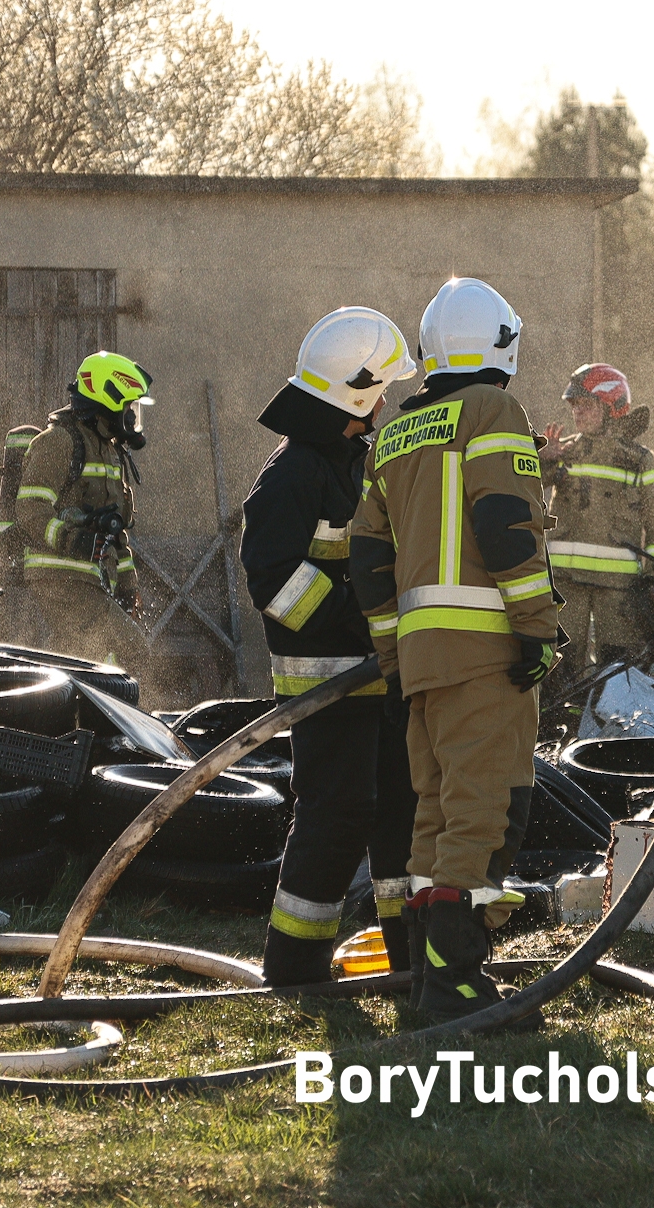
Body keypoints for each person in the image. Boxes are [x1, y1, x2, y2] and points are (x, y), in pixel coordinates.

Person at [348, 277, 559, 1022]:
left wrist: (394, 652)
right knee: (485, 809)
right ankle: (456, 983)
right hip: (484, 651)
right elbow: (505, 522)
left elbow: (367, 559)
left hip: (423, 659)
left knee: (434, 812)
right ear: (502, 345)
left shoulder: (394, 435)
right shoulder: (495, 409)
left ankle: (426, 981)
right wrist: (536, 624)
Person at [240, 307, 417, 986]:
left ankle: (410, 961)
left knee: (401, 818)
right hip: (328, 685)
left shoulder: (351, 462)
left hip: (380, 682)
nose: (384, 406)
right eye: (380, 392)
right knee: (335, 822)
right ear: (358, 393)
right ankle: (295, 967)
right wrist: (364, 621)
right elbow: (275, 579)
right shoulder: (293, 474)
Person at [3, 351, 154, 666]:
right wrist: (70, 539)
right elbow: (31, 508)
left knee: (90, 661)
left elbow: (117, 531)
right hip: (58, 579)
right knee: (130, 649)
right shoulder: (58, 442)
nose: (133, 419)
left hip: (92, 584)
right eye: (130, 409)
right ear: (107, 399)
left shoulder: (111, 454)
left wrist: (129, 588)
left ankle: (79, 714)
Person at [539, 363, 654, 670]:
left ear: (612, 407)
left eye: (586, 405)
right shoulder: (565, 452)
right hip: (565, 585)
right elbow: (520, 484)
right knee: (558, 670)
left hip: (619, 590)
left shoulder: (638, 459)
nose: (577, 413)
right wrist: (542, 458)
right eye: (574, 406)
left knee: (620, 671)